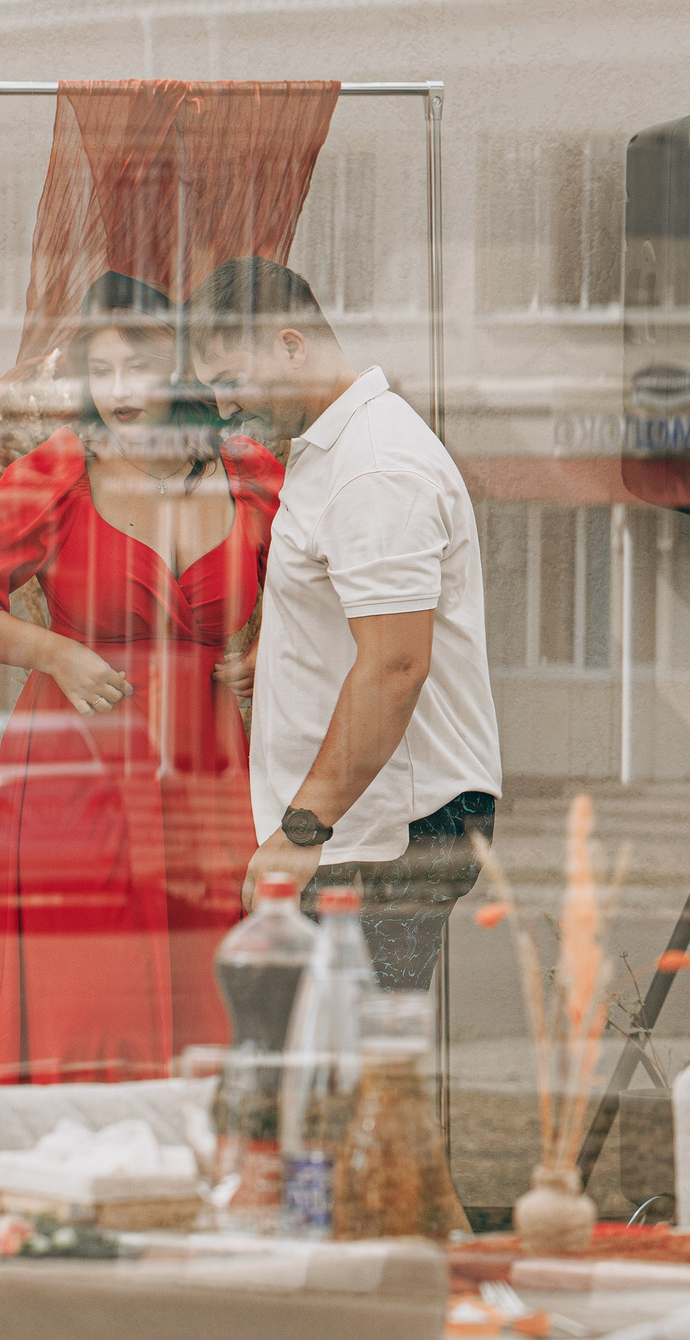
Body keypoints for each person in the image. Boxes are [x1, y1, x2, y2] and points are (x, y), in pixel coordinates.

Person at [0, 271, 281, 1083]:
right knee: (89, 1015)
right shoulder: (61, 470)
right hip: (78, 772)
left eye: (136, 369)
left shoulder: (250, 474)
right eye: (99, 372)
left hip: (209, 777)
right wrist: (51, 651)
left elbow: (325, 591)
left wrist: (267, 651)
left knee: (213, 1005)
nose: (117, 393)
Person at [189, 256, 502, 993]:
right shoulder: (332, 452)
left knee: (359, 1069)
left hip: (383, 830)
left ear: (290, 346)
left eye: (230, 381)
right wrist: (280, 655)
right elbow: (363, 621)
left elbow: (395, 668)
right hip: (362, 825)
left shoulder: (373, 469)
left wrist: (303, 831)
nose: (224, 409)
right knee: (338, 1065)